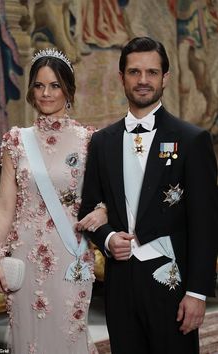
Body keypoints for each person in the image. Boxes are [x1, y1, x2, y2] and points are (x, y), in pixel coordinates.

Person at [78, 37, 218, 354]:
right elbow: (88, 208)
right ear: (122, 77)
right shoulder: (102, 142)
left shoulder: (192, 140)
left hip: (172, 283)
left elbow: (206, 224)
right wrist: (108, 237)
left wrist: (197, 292)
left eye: (152, 72)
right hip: (120, 287)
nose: (143, 81)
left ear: (165, 77)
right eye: (135, 72)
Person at [0, 48, 107, 354]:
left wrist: (103, 212)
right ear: (31, 90)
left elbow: (108, 198)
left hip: (71, 256)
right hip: (26, 256)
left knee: (68, 335)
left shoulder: (90, 139)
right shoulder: (16, 140)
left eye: (54, 85)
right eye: (39, 85)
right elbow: (4, 206)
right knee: (29, 340)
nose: (46, 93)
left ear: (68, 90)